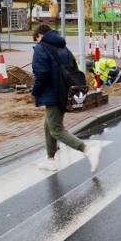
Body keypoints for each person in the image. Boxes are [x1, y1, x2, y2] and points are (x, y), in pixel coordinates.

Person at [31, 24, 102, 172]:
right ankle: (50, 160)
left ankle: (88, 150)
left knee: (56, 129)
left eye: (36, 39)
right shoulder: (63, 47)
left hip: (53, 93)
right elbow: (74, 68)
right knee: (48, 124)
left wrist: (35, 91)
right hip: (66, 91)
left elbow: (41, 74)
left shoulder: (41, 48)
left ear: (39, 36)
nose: (36, 42)